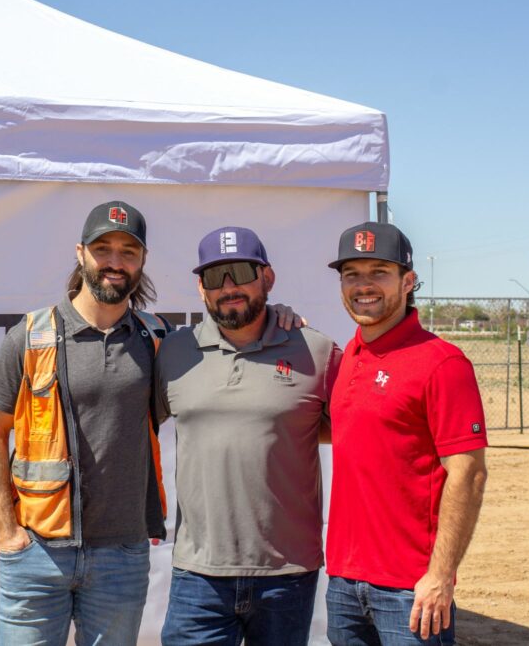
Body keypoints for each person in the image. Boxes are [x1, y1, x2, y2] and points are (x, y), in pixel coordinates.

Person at [0, 200, 168, 645]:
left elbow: (229, 343)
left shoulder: (158, 339)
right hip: (38, 553)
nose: (114, 262)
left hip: (122, 556)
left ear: (142, 262)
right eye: (103, 248)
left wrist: (281, 318)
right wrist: (7, 532)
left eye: (128, 251)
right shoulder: (30, 335)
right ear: (80, 252)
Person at [156, 226, 341, 646]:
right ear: (200, 289)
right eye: (214, 276)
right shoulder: (173, 352)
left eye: (240, 271)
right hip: (199, 576)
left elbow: (348, 431)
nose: (228, 286)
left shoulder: (316, 351)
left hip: (286, 577)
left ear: (268, 278)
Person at [324, 221, 488, 646]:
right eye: (351, 274)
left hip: (410, 590)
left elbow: (468, 475)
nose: (364, 285)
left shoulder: (442, 363)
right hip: (343, 580)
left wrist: (439, 576)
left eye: (379, 271)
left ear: (408, 280)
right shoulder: (349, 357)